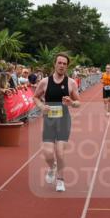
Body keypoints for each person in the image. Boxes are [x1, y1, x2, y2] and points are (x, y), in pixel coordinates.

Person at [33, 52, 81, 193]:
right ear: (55, 64)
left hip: (64, 120)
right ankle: (52, 167)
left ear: (67, 66)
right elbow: (35, 97)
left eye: (64, 64)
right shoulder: (45, 82)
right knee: (48, 153)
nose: (61, 65)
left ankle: (60, 180)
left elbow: (78, 103)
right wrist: (42, 106)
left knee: (60, 152)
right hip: (49, 120)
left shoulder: (71, 83)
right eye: (59, 63)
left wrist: (71, 103)